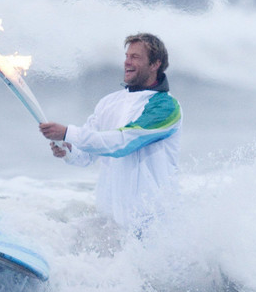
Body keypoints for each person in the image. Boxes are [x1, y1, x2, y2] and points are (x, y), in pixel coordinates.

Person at [39, 33, 182, 232]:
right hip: (111, 222)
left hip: (153, 226)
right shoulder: (109, 103)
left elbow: (122, 143)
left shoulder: (166, 108)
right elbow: (86, 156)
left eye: (135, 57)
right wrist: (68, 150)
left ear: (155, 64)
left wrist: (67, 133)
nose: (127, 62)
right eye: (127, 56)